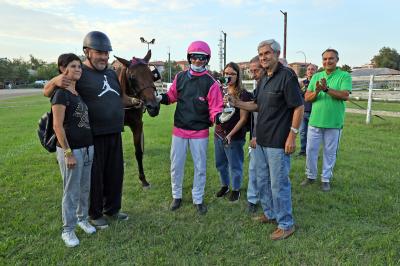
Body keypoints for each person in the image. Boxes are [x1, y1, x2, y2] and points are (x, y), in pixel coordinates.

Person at [44, 31, 140, 229]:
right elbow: (49, 90)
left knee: (115, 174)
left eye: (106, 53)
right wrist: (53, 81)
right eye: (99, 52)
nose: (104, 57)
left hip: (114, 131)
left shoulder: (111, 74)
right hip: (92, 135)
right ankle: (94, 213)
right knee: (95, 178)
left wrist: (136, 101)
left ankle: (112, 209)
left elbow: (119, 97)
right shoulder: (79, 72)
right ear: (87, 51)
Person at [229, 39, 304, 240]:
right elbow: (257, 105)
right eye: (260, 54)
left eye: (267, 53)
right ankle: (271, 214)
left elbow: (298, 107)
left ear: (276, 54)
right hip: (261, 140)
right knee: (262, 181)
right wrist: (237, 102)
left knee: (278, 183)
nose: (263, 57)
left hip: (279, 142)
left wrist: (292, 135)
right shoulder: (263, 79)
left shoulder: (287, 76)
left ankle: (286, 224)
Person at [157, 40, 223, 214]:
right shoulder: (180, 77)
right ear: (189, 58)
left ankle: (198, 198)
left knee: (200, 167)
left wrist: (218, 117)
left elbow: (215, 108)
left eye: (202, 58)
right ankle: (176, 196)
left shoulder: (212, 83)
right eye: (194, 57)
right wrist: (159, 98)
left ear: (207, 59)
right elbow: (171, 96)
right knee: (176, 165)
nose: (198, 61)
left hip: (199, 131)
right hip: (179, 129)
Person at [52, 53, 96, 247]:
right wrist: (68, 152)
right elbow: (57, 126)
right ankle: (68, 230)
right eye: (73, 66)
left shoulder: (78, 94)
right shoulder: (61, 93)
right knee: (71, 191)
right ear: (63, 69)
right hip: (71, 150)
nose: (78, 69)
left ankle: (82, 219)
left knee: (84, 187)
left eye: (79, 66)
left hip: (88, 148)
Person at [301, 49, 352, 192]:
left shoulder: (344, 76)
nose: (327, 61)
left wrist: (326, 89)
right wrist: (317, 91)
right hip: (315, 121)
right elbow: (307, 97)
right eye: (325, 59)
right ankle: (310, 176)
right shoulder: (316, 75)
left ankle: (325, 179)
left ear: (337, 60)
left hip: (334, 123)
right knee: (311, 150)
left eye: (331, 58)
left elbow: (345, 95)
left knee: (330, 152)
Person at [214, 62, 252, 202]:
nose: (228, 76)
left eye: (231, 74)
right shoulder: (220, 91)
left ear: (238, 75)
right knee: (220, 163)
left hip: (234, 136)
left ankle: (236, 189)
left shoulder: (244, 94)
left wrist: (230, 135)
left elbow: (243, 119)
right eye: (226, 74)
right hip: (218, 133)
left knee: (235, 164)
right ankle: (225, 185)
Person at [246, 56, 264, 213]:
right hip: (256, 137)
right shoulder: (257, 88)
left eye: (256, 70)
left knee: (271, 172)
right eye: (251, 71)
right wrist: (253, 135)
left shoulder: (277, 84)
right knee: (253, 168)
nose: (253, 74)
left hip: (273, 138)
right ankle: (252, 198)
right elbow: (255, 117)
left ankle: (267, 200)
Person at [298, 64, 317, 156]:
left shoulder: (318, 83)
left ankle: (312, 152)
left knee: (313, 134)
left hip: (314, 112)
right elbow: (299, 95)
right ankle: (303, 151)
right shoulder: (301, 83)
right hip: (302, 112)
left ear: (316, 71)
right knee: (302, 132)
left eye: (312, 69)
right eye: (308, 69)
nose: (310, 71)